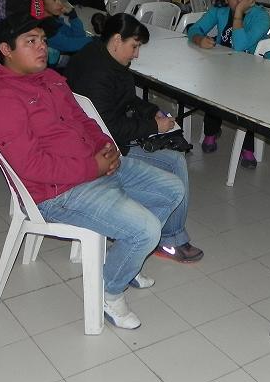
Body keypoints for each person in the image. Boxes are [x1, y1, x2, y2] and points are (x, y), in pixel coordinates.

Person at [0, 3, 184, 329]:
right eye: (30, 41)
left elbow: (83, 119)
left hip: (93, 166)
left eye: (42, 39)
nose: (42, 46)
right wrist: (93, 168)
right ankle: (108, 292)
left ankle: (122, 263)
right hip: (57, 193)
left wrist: (106, 147)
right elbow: (31, 166)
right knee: (146, 230)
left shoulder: (51, 78)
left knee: (172, 188)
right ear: (6, 50)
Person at [65, 13, 204, 263]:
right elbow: (112, 129)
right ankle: (171, 240)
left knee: (171, 154)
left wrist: (152, 112)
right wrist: (153, 126)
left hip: (96, 140)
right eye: (134, 46)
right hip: (103, 149)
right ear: (117, 40)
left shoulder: (97, 55)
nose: (136, 54)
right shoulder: (99, 75)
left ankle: (166, 234)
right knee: (175, 162)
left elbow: (124, 101)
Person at [187, 0, 270, 166]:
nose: (239, 0)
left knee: (246, 102)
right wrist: (199, 38)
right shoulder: (220, 10)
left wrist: (239, 13)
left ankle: (248, 146)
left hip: (254, 71)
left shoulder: (261, 16)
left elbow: (239, 47)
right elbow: (194, 28)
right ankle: (210, 132)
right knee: (212, 85)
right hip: (224, 66)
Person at [31, 0, 93, 66]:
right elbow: (68, 45)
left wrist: (73, 16)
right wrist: (93, 40)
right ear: (40, 1)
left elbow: (79, 36)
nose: (60, 3)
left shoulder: (55, 21)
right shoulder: (44, 26)